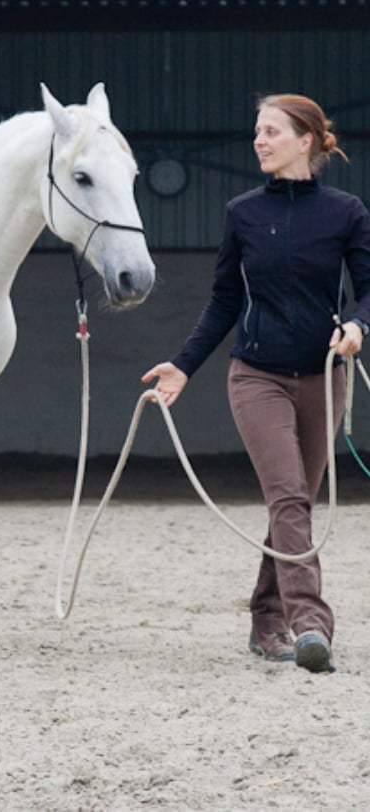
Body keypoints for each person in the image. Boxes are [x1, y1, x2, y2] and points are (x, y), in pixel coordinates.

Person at [142, 93, 370, 674]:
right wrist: (184, 365)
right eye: (257, 132)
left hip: (324, 378)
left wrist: (357, 325)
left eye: (271, 131)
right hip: (256, 376)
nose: (259, 141)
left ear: (309, 140)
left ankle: (266, 619)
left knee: (290, 502)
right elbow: (224, 300)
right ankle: (312, 625)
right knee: (290, 496)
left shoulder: (346, 212)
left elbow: (368, 290)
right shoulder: (242, 212)